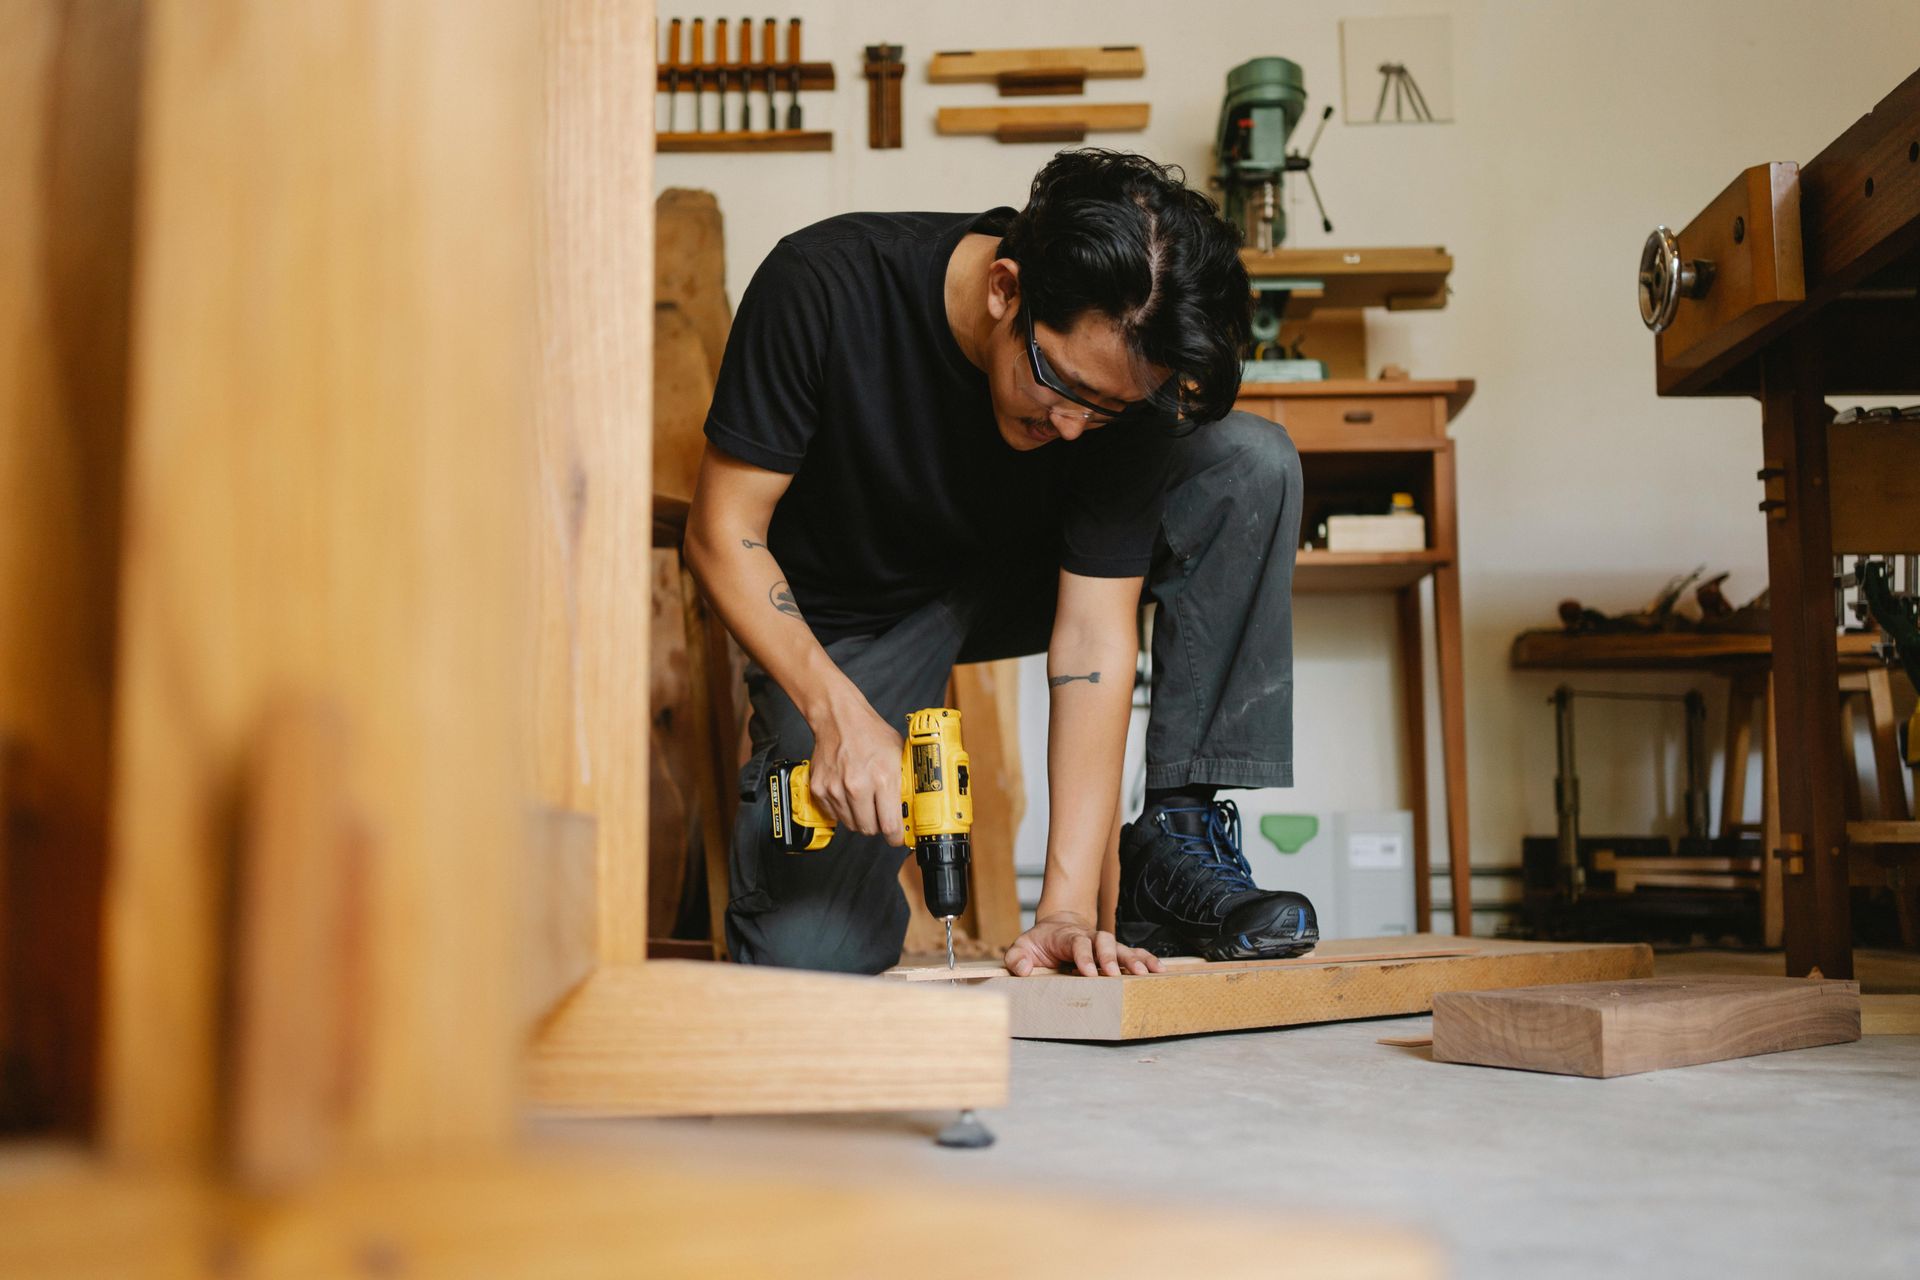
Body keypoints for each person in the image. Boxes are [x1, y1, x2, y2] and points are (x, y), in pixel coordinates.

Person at [686, 149, 1317, 978]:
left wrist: (1065, 907)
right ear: (1005, 289)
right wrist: (836, 716)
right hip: (856, 617)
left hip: (1032, 580)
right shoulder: (824, 284)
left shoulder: (1113, 387)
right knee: (808, 961)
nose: (1068, 428)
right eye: (1055, 382)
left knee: (1248, 460)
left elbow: (1093, 634)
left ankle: (1174, 844)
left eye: (1104, 410)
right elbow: (720, 529)